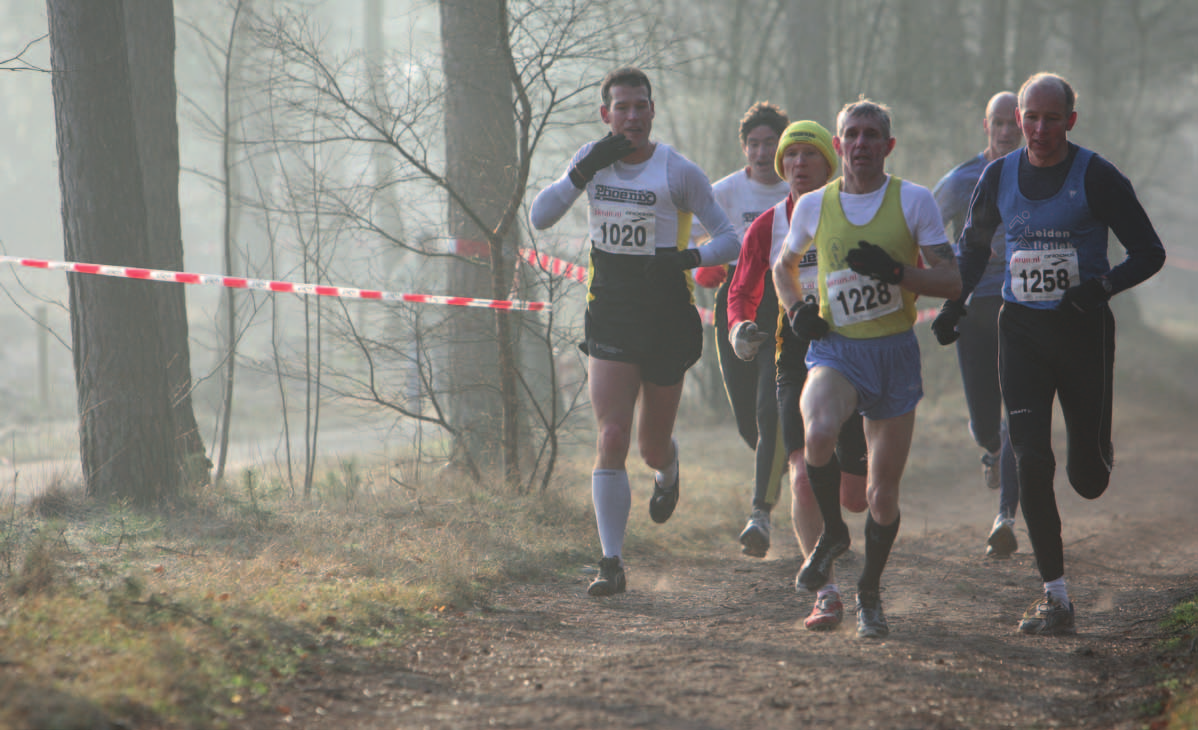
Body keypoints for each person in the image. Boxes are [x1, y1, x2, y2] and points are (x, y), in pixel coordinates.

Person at [933, 72, 1165, 635]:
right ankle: (1056, 598)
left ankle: (1096, 450)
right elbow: (971, 249)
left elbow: (1149, 252)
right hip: (1024, 336)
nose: (1037, 129)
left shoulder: (1097, 175)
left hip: (1083, 336)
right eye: (1028, 118)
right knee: (1031, 460)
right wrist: (954, 305)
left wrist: (1102, 286)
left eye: (1049, 118)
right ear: (1016, 121)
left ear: (1070, 120)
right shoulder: (996, 176)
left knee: (1086, 479)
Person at [529, 67, 740, 597]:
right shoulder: (590, 161)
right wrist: (581, 173)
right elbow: (540, 217)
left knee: (648, 447)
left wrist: (686, 259)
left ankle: (667, 471)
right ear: (606, 115)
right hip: (612, 313)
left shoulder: (678, 172)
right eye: (621, 107)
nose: (631, 116)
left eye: (640, 106)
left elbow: (732, 239)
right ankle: (611, 562)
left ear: (651, 112)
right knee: (612, 436)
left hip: (668, 318)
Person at [772, 98, 962, 639]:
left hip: (894, 354)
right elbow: (783, 267)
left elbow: (950, 281)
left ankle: (869, 592)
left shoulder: (915, 201)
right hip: (837, 349)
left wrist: (899, 272)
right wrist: (797, 309)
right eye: (850, 134)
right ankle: (833, 534)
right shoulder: (812, 204)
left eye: (870, 135)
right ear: (839, 145)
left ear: (887, 145)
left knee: (881, 496)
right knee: (820, 432)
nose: (860, 144)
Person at [727, 120, 869, 630]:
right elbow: (740, 288)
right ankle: (826, 591)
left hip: (854, 354)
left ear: (828, 165)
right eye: (790, 157)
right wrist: (739, 326)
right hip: (793, 356)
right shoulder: (767, 225)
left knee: (854, 495)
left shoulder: (852, 213)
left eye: (809, 155)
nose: (797, 165)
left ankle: (845, 531)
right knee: (803, 471)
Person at [689, 101, 792, 557]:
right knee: (750, 422)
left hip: (786, 299)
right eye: (754, 143)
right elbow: (700, 237)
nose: (761, 150)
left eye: (770, 142)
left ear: (782, 145)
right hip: (735, 299)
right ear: (743, 147)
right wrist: (707, 264)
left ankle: (760, 514)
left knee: (771, 411)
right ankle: (787, 462)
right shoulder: (725, 190)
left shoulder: (800, 189)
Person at [931, 91, 1022, 558]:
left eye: (1015, 123)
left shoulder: (1040, 174)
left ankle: (1005, 516)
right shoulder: (963, 179)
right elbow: (924, 228)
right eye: (998, 123)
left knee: (1018, 416)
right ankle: (991, 450)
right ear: (985, 126)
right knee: (987, 422)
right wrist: (949, 267)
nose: (1007, 132)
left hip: (1027, 308)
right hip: (975, 306)